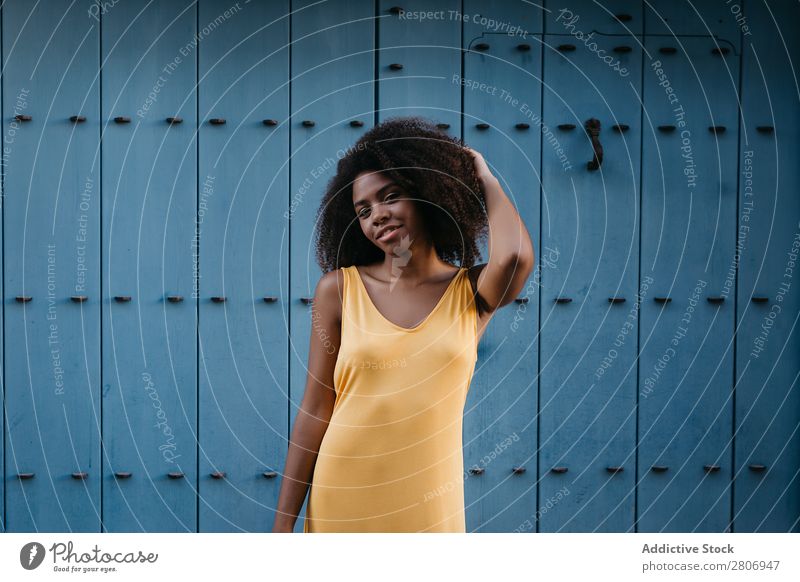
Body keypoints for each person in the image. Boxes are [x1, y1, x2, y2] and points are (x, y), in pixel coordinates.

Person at [272, 116, 534, 532]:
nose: (377, 215)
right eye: (363, 210)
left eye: (390, 196)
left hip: (430, 504)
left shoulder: (472, 292)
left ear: (428, 193)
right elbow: (316, 408)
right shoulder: (338, 290)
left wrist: (482, 177)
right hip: (343, 493)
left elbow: (515, 258)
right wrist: (281, 528)